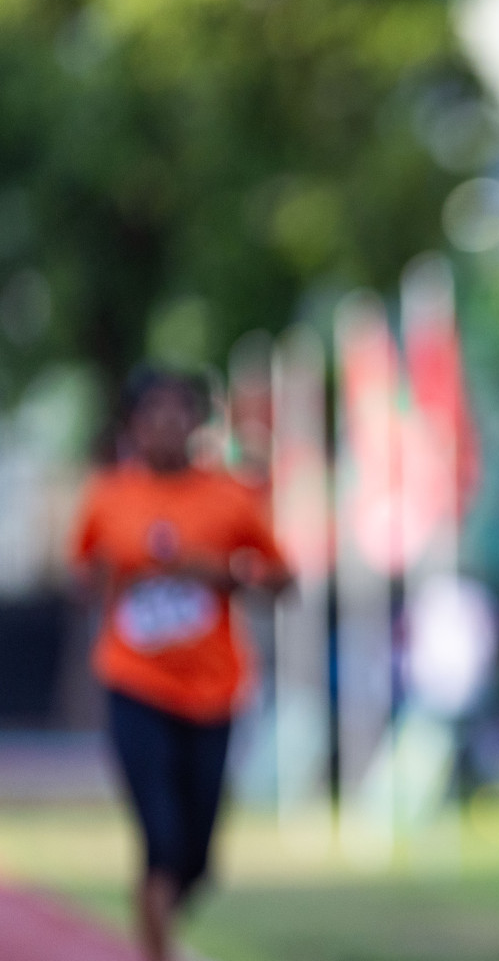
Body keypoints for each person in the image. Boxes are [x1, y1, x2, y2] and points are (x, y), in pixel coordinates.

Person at [71, 369, 291, 961]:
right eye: (154, 413)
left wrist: (223, 572)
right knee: (160, 833)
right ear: (133, 425)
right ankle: (159, 947)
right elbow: (81, 573)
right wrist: (114, 580)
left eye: (179, 412)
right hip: (134, 681)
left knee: (195, 854)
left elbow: (281, 577)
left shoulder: (231, 496)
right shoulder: (108, 496)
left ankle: (156, 912)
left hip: (214, 689)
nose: (167, 424)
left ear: (197, 422)